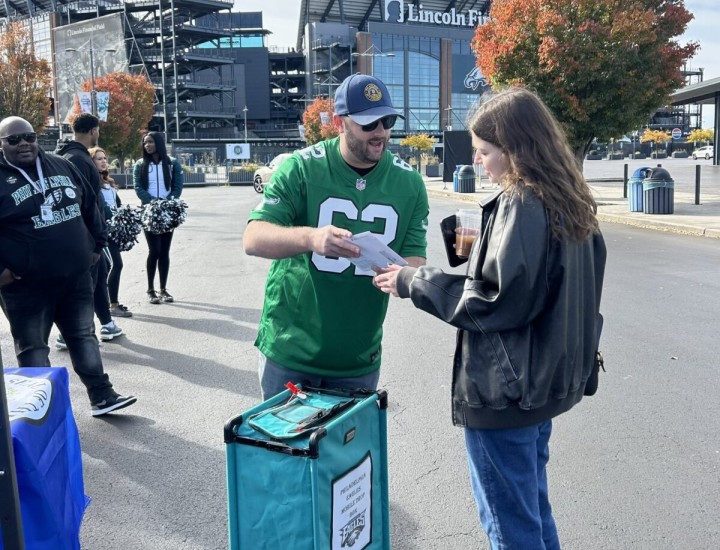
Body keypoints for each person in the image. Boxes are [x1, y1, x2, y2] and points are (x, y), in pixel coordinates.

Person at [373, 87, 606, 550]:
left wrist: (412, 280)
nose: (478, 163)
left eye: (484, 152)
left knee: (510, 526)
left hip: (506, 391)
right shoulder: (569, 197)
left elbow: (494, 302)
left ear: (515, 149)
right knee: (532, 511)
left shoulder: (523, 202)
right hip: (542, 385)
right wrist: (479, 247)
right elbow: (553, 284)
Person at [243, 73, 429, 400]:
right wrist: (312, 239)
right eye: (369, 124)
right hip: (291, 350)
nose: (381, 132)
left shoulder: (410, 183)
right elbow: (254, 238)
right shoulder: (301, 167)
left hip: (357, 358)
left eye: (387, 121)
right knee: (286, 451)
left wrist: (400, 278)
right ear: (341, 123)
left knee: (347, 453)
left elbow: (414, 257)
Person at [0, 116, 136, 416]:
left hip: (75, 278)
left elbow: (90, 203)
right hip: (26, 288)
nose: (23, 143)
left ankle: (102, 395)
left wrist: (97, 244)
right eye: (13, 139)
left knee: (84, 335)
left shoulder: (61, 164)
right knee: (34, 349)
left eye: (29, 136)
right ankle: (44, 414)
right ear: (2, 144)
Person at [55, 113, 123, 344]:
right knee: (85, 286)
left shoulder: (63, 155)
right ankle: (72, 333)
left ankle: (106, 324)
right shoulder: (80, 160)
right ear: (93, 131)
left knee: (97, 277)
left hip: (77, 234)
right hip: (84, 237)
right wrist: (97, 238)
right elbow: (88, 203)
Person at [133, 132, 183, 304]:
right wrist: (153, 202)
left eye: (151, 142)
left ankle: (163, 289)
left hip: (168, 211)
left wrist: (167, 202)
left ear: (159, 143)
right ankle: (150, 290)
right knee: (154, 250)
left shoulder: (172, 163)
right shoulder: (140, 164)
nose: (147, 145)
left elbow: (177, 187)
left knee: (164, 251)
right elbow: (138, 187)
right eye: (145, 142)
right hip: (149, 212)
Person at [90, 146, 132, 317]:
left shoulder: (108, 182)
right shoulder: (92, 183)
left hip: (113, 230)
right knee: (114, 264)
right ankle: (111, 305)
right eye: (99, 159)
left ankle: (107, 303)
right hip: (103, 231)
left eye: (105, 158)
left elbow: (117, 205)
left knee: (109, 267)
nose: (103, 161)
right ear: (91, 162)